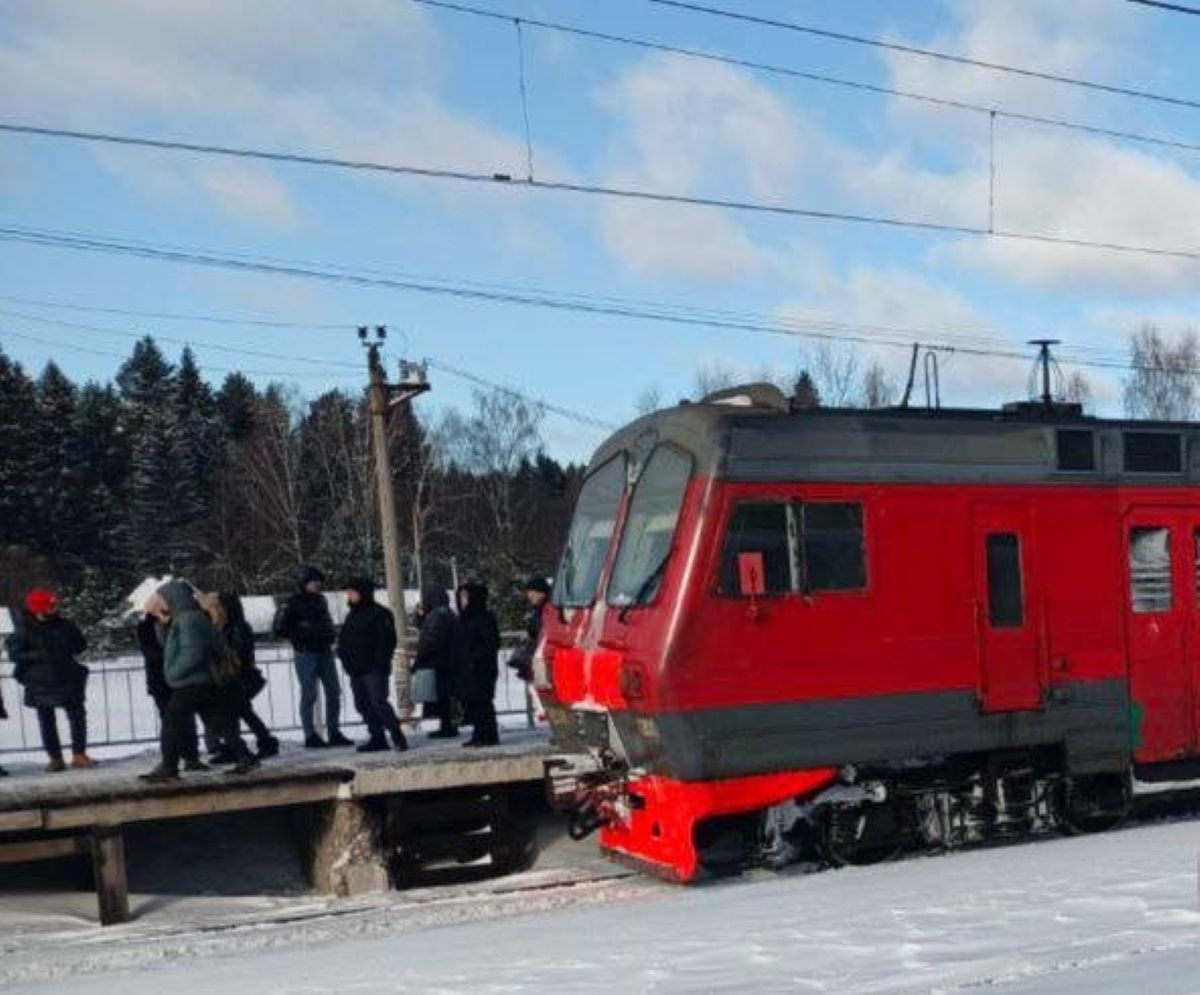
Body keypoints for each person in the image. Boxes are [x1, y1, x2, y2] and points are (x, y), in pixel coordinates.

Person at [140, 581, 257, 783]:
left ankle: (169, 766)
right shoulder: (189, 618)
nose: (161, 603)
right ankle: (245, 756)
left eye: (163, 599)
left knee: (172, 720)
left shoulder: (189, 620)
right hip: (204, 681)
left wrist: (173, 674)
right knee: (217, 721)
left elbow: (193, 653)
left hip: (192, 682)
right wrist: (162, 622)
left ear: (174, 598)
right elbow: (171, 645)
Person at [6, 590, 93, 773]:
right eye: (51, 605)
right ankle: (55, 758)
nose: (55, 608)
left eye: (55, 605)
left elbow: (80, 645)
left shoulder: (65, 624)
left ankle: (79, 754)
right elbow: (15, 654)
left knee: (77, 717)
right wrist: (41, 655)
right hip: (40, 682)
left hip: (67, 678)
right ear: (39, 608)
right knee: (46, 721)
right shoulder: (24, 628)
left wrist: (70, 644)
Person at [274, 566, 351, 749]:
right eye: (313, 581)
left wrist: (330, 634)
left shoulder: (321, 600)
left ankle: (334, 731)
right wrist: (300, 631)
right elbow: (279, 629)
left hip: (324, 651)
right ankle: (310, 735)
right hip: (305, 652)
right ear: (303, 583)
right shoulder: (291, 602)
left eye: (318, 581)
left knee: (334, 691)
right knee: (309, 694)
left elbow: (326, 622)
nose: (317, 584)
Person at [200, 592, 279, 762]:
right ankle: (256, 743)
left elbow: (240, 654)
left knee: (238, 712)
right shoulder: (231, 626)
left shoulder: (237, 628)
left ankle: (252, 744)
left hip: (237, 677)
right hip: (234, 676)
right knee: (241, 712)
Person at [336, 578, 407, 753]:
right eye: (349, 593)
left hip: (374, 669)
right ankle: (377, 737)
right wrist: (344, 657)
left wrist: (380, 664)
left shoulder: (380, 614)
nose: (350, 596)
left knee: (378, 702)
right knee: (362, 704)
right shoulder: (352, 615)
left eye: (353, 592)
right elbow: (344, 640)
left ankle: (397, 735)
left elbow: (387, 641)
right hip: (356, 669)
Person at [136, 609, 208, 770]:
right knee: (169, 720)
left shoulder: (179, 624)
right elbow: (150, 652)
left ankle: (190, 756)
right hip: (161, 680)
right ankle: (171, 758)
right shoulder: (146, 627)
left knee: (185, 720)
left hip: (179, 679)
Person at [455, 582, 501, 748]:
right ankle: (481, 734)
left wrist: (474, 657)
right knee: (474, 702)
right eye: (461, 597)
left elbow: (491, 644)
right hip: (468, 668)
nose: (462, 600)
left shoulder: (484, 618)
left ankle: (486, 735)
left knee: (482, 702)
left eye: (465, 597)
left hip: (481, 667)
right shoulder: (464, 618)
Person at [412, 585, 460, 738]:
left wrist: (420, 658)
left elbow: (431, 639)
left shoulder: (437, 615)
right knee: (444, 696)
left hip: (438, 661)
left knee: (442, 696)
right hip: (447, 660)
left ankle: (447, 727)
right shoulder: (446, 612)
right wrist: (420, 617)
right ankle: (447, 725)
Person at [509, 576, 551, 682]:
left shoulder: (549, 609)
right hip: (539, 660)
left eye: (532, 593)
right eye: (528, 593)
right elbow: (532, 631)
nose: (529, 596)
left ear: (541, 592)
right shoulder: (537, 610)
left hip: (546, 658)